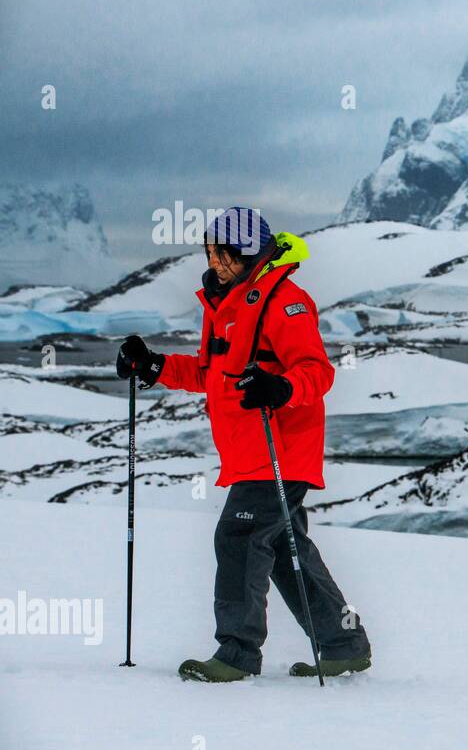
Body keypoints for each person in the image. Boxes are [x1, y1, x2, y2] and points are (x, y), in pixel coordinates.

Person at [116, 207, 371, 682]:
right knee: (283, 548)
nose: (216, 262)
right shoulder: (224, 305)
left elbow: (318, 371)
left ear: (250, 251)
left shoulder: (284, 301)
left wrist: (281, 388)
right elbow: (210, 374)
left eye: (224, 253)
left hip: (281, 451)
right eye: (210, 252)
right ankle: (343, 644)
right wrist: (153, 366)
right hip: (249, 453)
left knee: (237, 538)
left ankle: (236, 653)